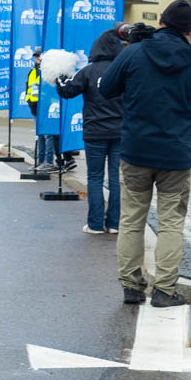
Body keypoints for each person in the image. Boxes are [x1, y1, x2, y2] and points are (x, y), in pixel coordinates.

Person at [99, 0, 191, 307]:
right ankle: (165, 290)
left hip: (136, 151)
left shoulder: (134, 52)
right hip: (175, 155)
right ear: (189, 31)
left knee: (131, 220)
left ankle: (131, 286)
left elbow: (106, 88)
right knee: (171, 223)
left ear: (161, 22)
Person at [54, 24, 133, 235]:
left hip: (95, 131)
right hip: (120, 131)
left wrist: (59, 75)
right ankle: (115, 224)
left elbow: (67, 91)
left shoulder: (88, 71)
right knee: (116, 179)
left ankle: (96, 224)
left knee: (95, 178)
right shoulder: (124, 70)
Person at [24, 61, 59, 174]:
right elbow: (28, 88)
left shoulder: (48, 72)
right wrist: (30, 102)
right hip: (35, 107)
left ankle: (48, 162)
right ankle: (40, 161)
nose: (37, 59)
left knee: (48, 135)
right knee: (40, 135)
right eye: (36, 57)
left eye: (39, 56)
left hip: (46, 107)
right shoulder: (32, 72)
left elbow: (50, 89)